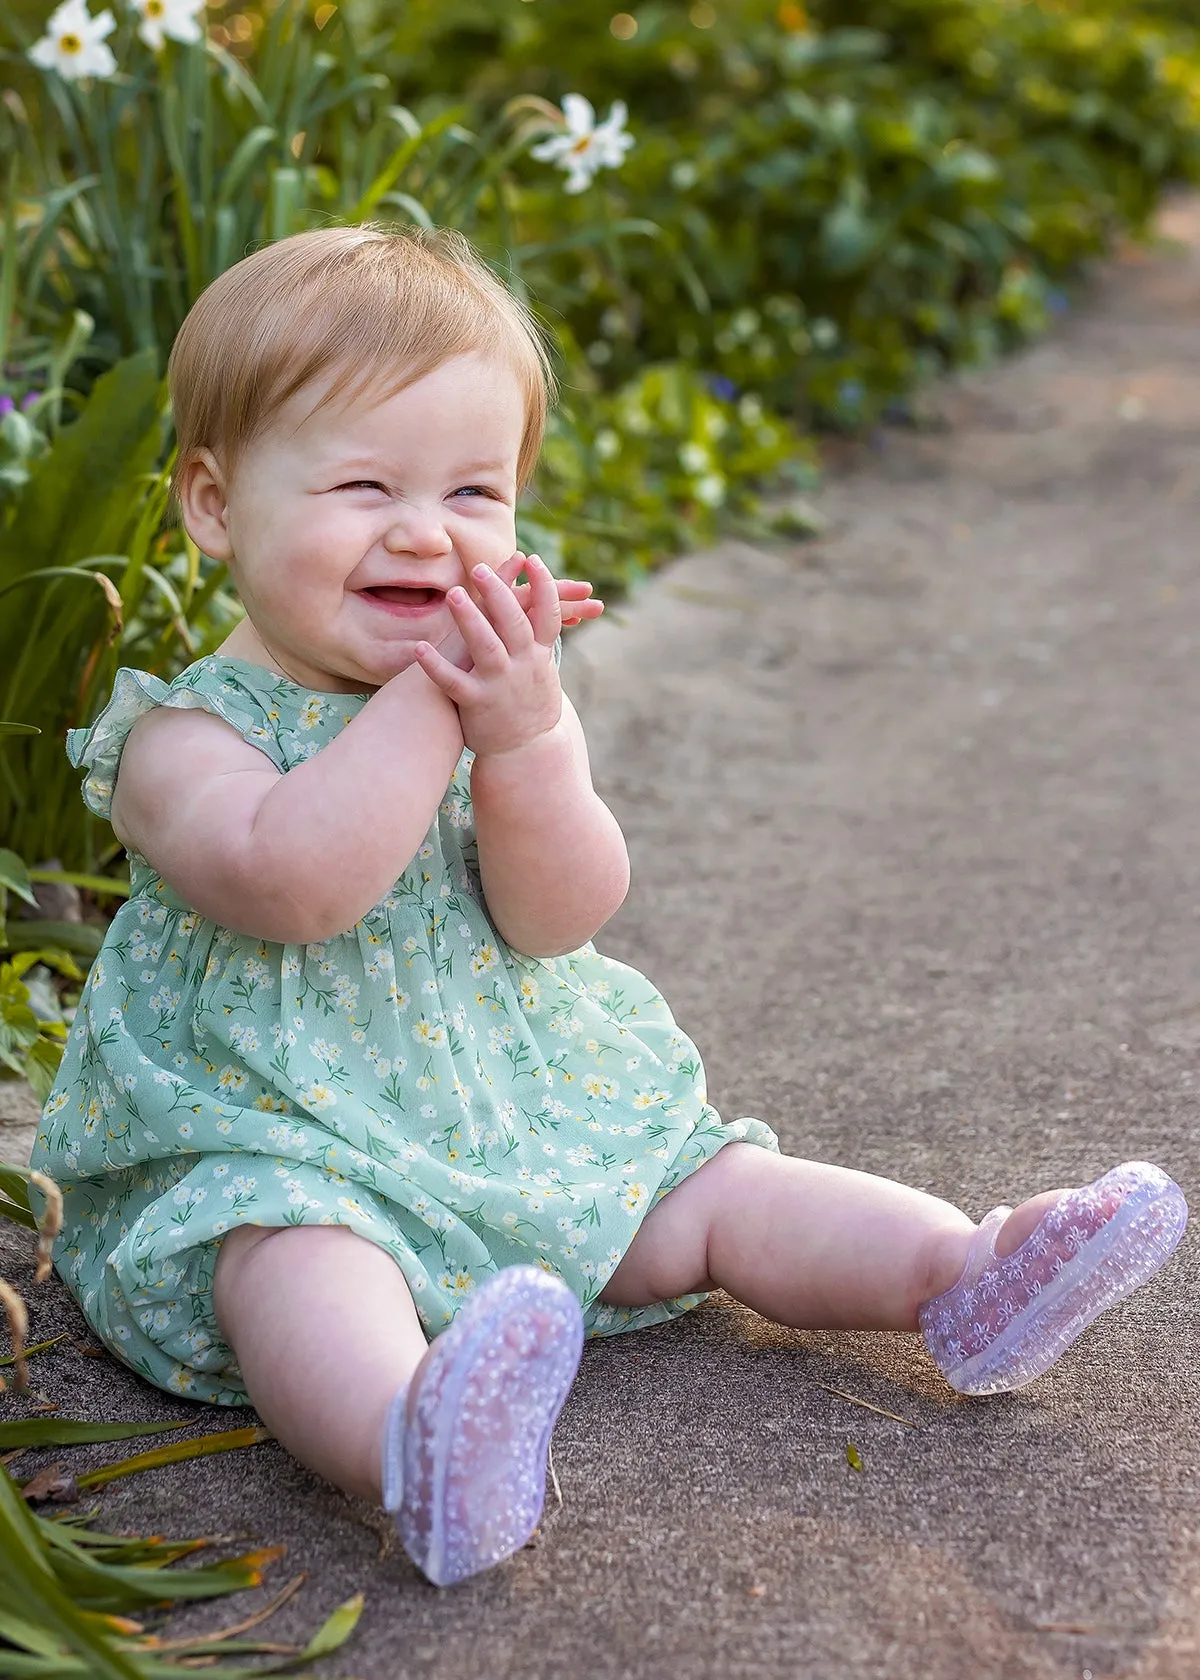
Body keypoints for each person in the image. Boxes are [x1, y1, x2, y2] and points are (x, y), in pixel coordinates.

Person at [33, 225, 1188, 1591]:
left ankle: (964, 1269)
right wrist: (432, 707)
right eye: (361, 484)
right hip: (282, 1130)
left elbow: (561, 912)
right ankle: (413, 1440)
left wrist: (522, 745)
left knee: (705, 1193)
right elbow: (299, 886)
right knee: (292, 1260)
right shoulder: (183, 737)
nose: (427, 530)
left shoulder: (490, 700)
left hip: (513, 1103)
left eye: (475, 490)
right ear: (215, 506)